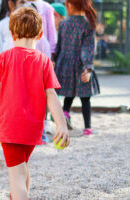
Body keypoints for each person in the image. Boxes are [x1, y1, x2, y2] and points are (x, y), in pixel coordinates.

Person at [0, 7, 70, 199]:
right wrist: (61, 124)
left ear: (12, 34)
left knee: (16, 177)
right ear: (40, 34)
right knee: (22, 168)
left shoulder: (4, 58)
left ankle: (18, 195)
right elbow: (51, 95)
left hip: (10, 127)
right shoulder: (44, 61)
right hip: (32, 128)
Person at [54, 0, 100, 135]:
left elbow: (59, 46)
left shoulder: (63, 24)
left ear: (68, 6)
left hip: (64, 64)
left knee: (69, 92)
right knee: (85, 97)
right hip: (80, 65)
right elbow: (87, 49)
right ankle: (87, 128)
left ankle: (65, 113)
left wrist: (54, 60)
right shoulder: (88, 25)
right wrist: (88, 68)